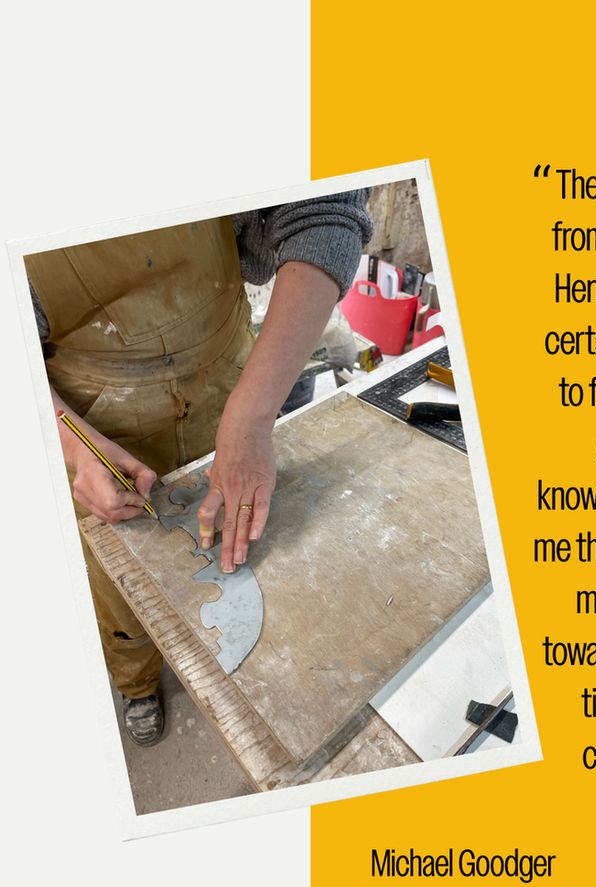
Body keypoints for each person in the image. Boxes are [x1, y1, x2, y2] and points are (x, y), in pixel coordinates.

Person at [26, 192, 372, 745]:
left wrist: (255, 410)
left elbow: (325, 212)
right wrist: (69, 442)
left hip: (229, 374)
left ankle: (237, 672)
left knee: (246, 545)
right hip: (94, 415)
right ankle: (136, 682)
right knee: (124, 583)